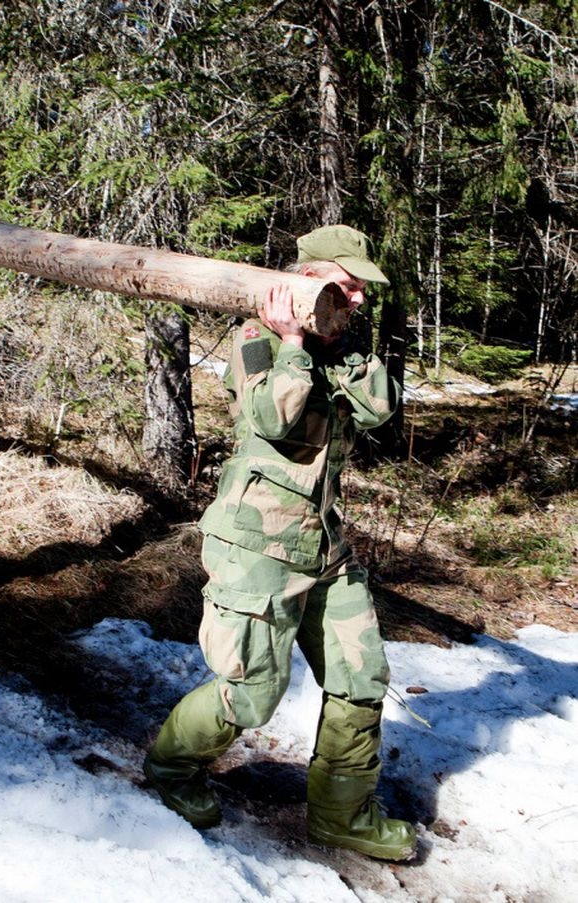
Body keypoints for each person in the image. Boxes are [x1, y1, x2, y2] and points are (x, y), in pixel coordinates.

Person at [144, 224, 417, 861]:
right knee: (251, 695)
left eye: (357, 296)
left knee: (361, 675)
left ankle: (341, 816)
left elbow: (382, 409)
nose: (353, 303)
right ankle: (170, 768)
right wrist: (295, 341)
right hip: (258, 547)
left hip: (324, 545)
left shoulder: (346, 343)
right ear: (309, 280)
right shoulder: (254, 339)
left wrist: (338, 344)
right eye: (344, 289)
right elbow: (272, 417)